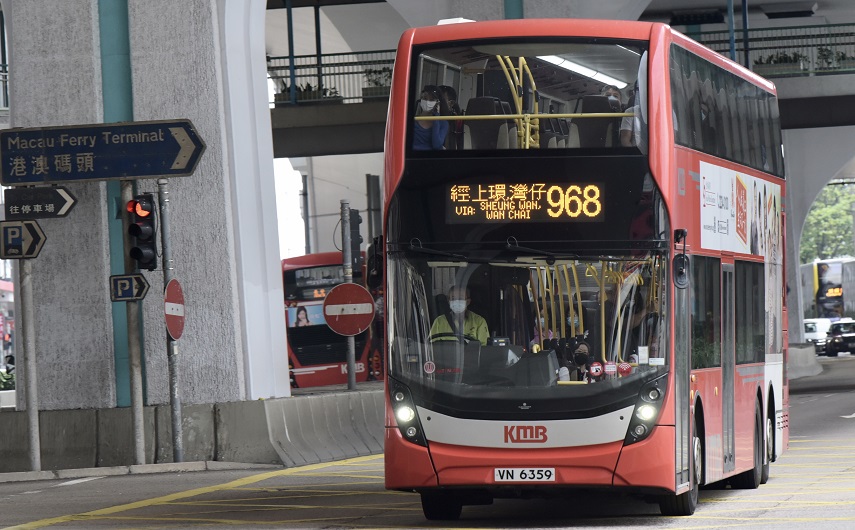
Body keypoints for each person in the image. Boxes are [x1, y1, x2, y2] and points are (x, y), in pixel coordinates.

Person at [413, 85, 449, 150]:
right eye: (425, 99)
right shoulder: (414, 120)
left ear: (438, 103)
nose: (427, 102)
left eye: (432, 100)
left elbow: (437, 145)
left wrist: (436, 118)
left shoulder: (443, 123)